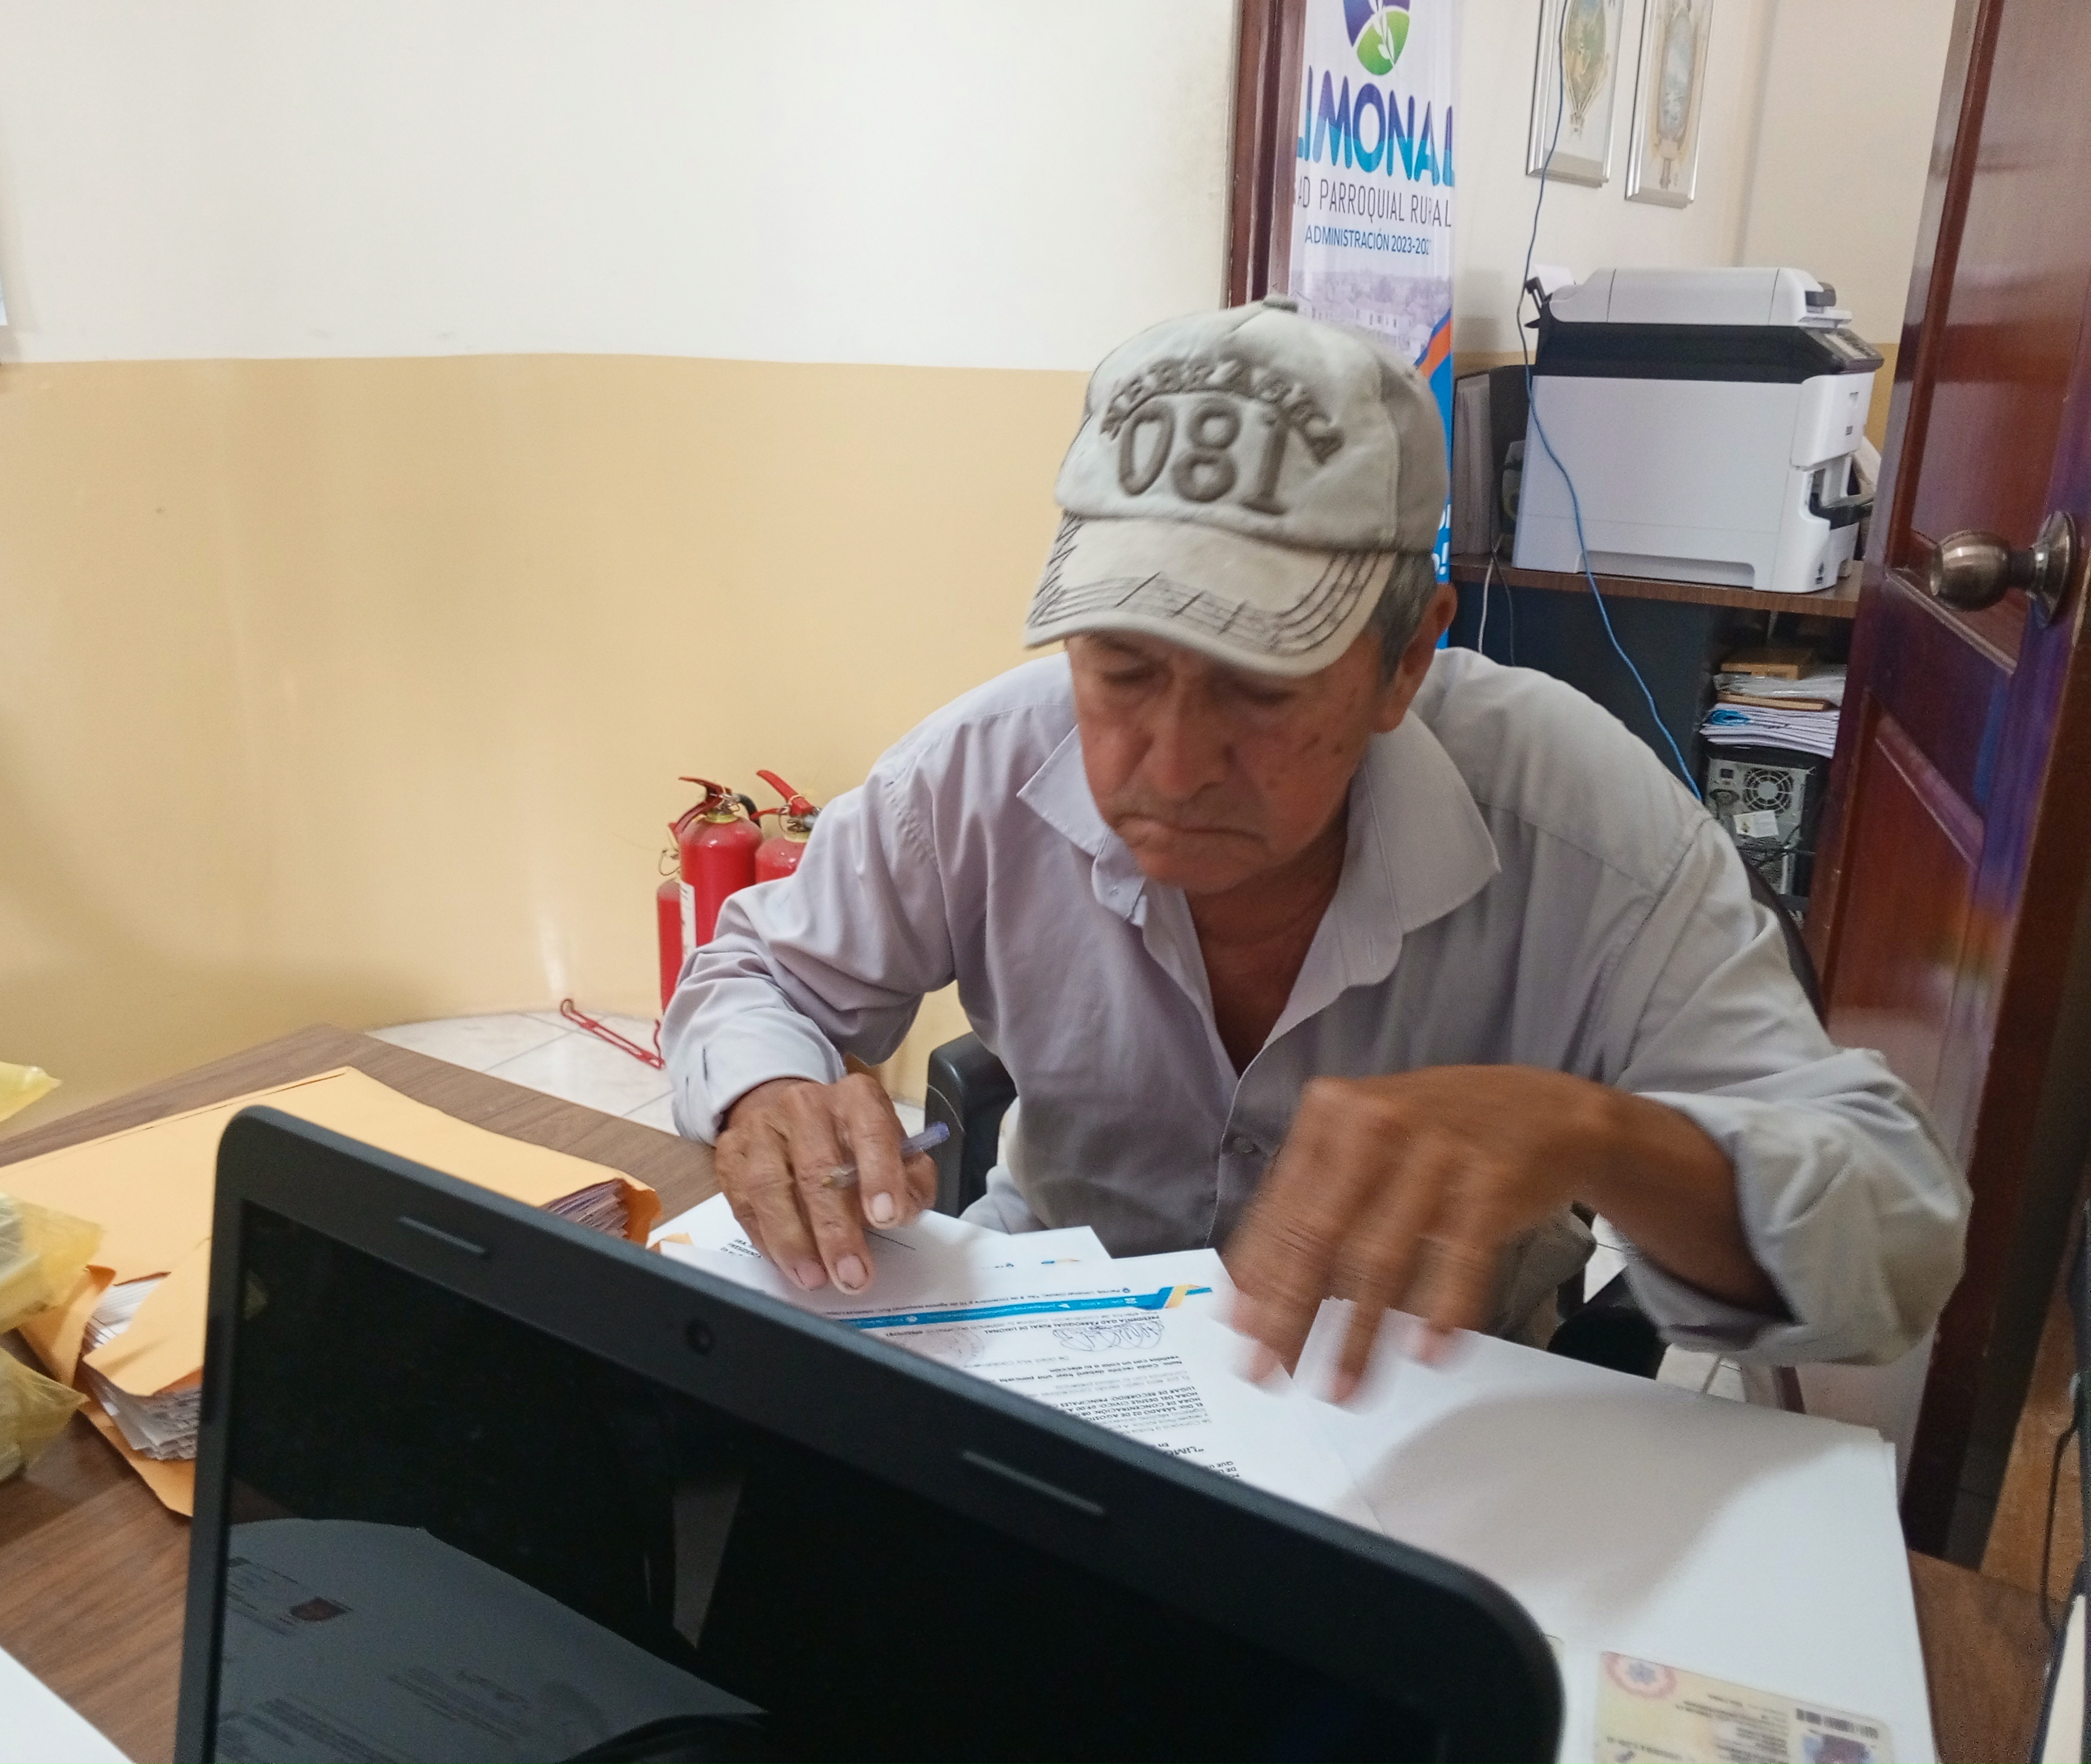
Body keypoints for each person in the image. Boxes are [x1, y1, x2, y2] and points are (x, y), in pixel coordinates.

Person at [664, 297, 1965, 1398]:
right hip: (1057, 1366)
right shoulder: (980, 768)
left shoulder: (1579, 822)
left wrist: (1601, 1137)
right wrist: (768, 1093)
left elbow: (1899, 1230)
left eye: (1259, 685)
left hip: (1421, 1408)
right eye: (1121, 667)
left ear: (1406, 658)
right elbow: (756, 974)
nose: (1172, 764)